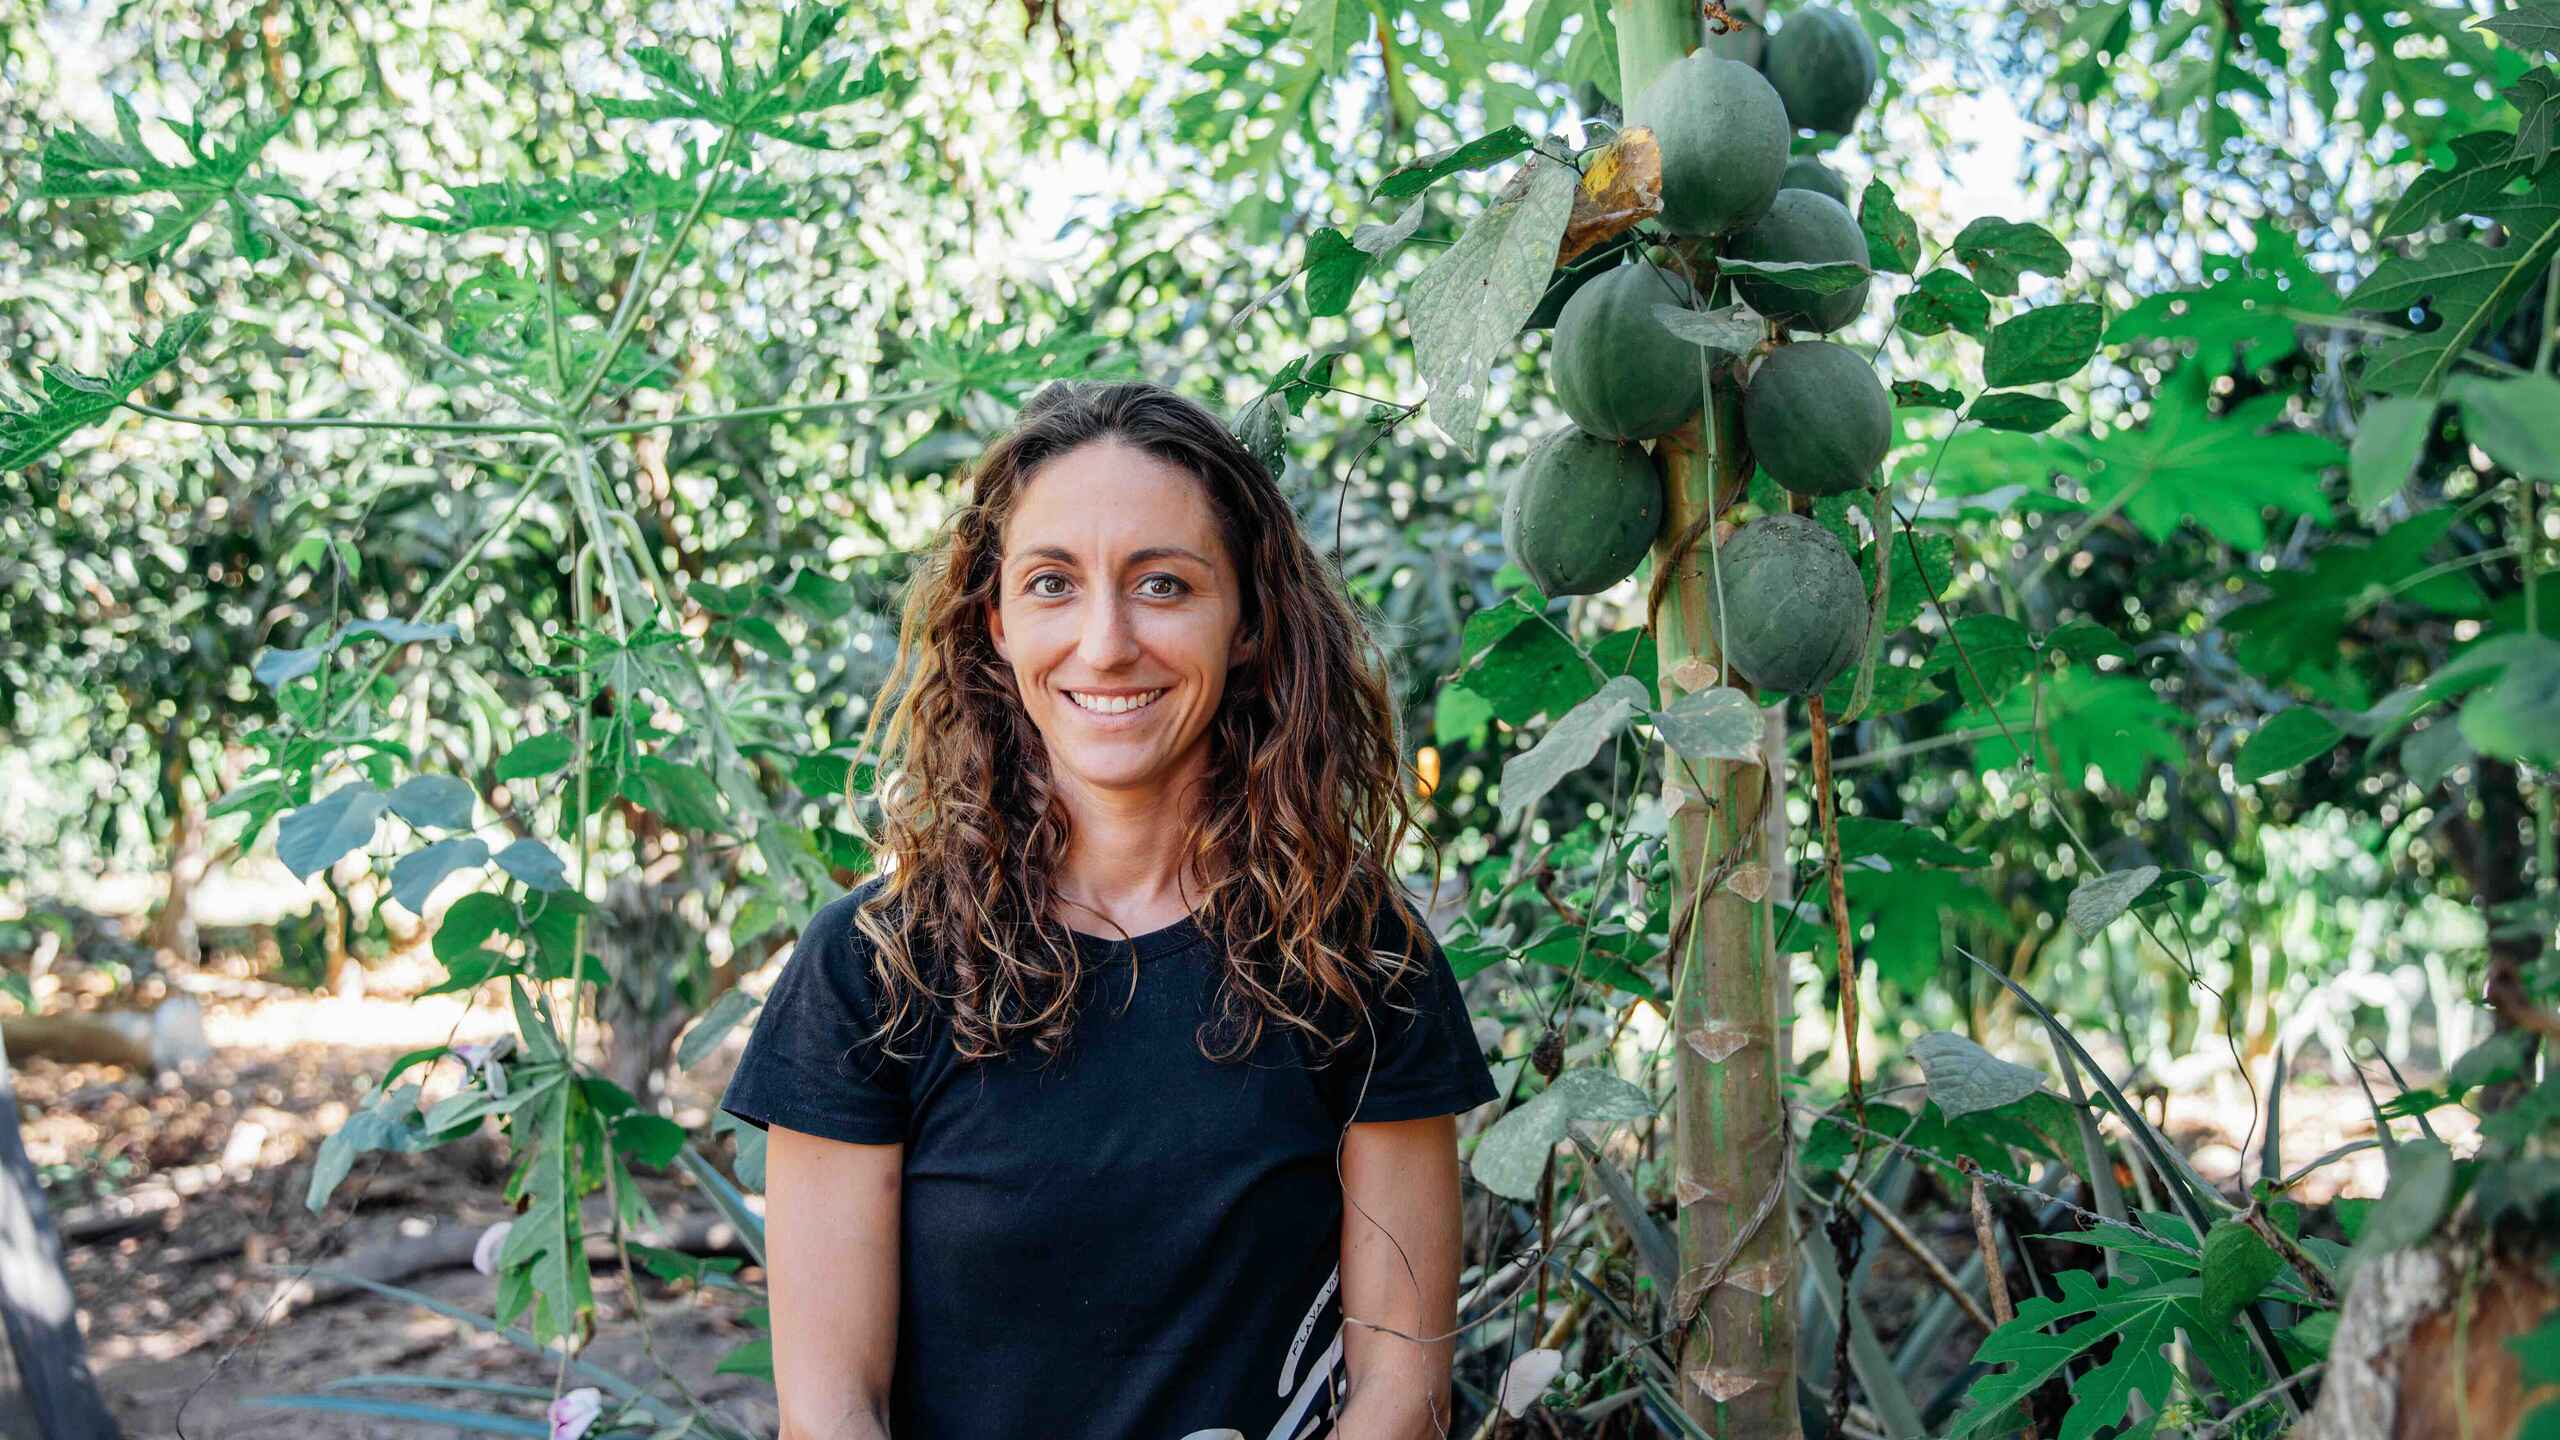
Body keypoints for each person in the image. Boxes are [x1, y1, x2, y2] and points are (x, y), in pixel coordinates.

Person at [718, 379, 1502, 1440]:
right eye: (1052, 584)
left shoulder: (1359, 957)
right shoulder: (871, 971)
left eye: (1164, 586)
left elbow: (1400, 1402)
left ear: (1251, 624)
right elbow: (831, 1415)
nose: (1104, 642)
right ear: (994, 625)